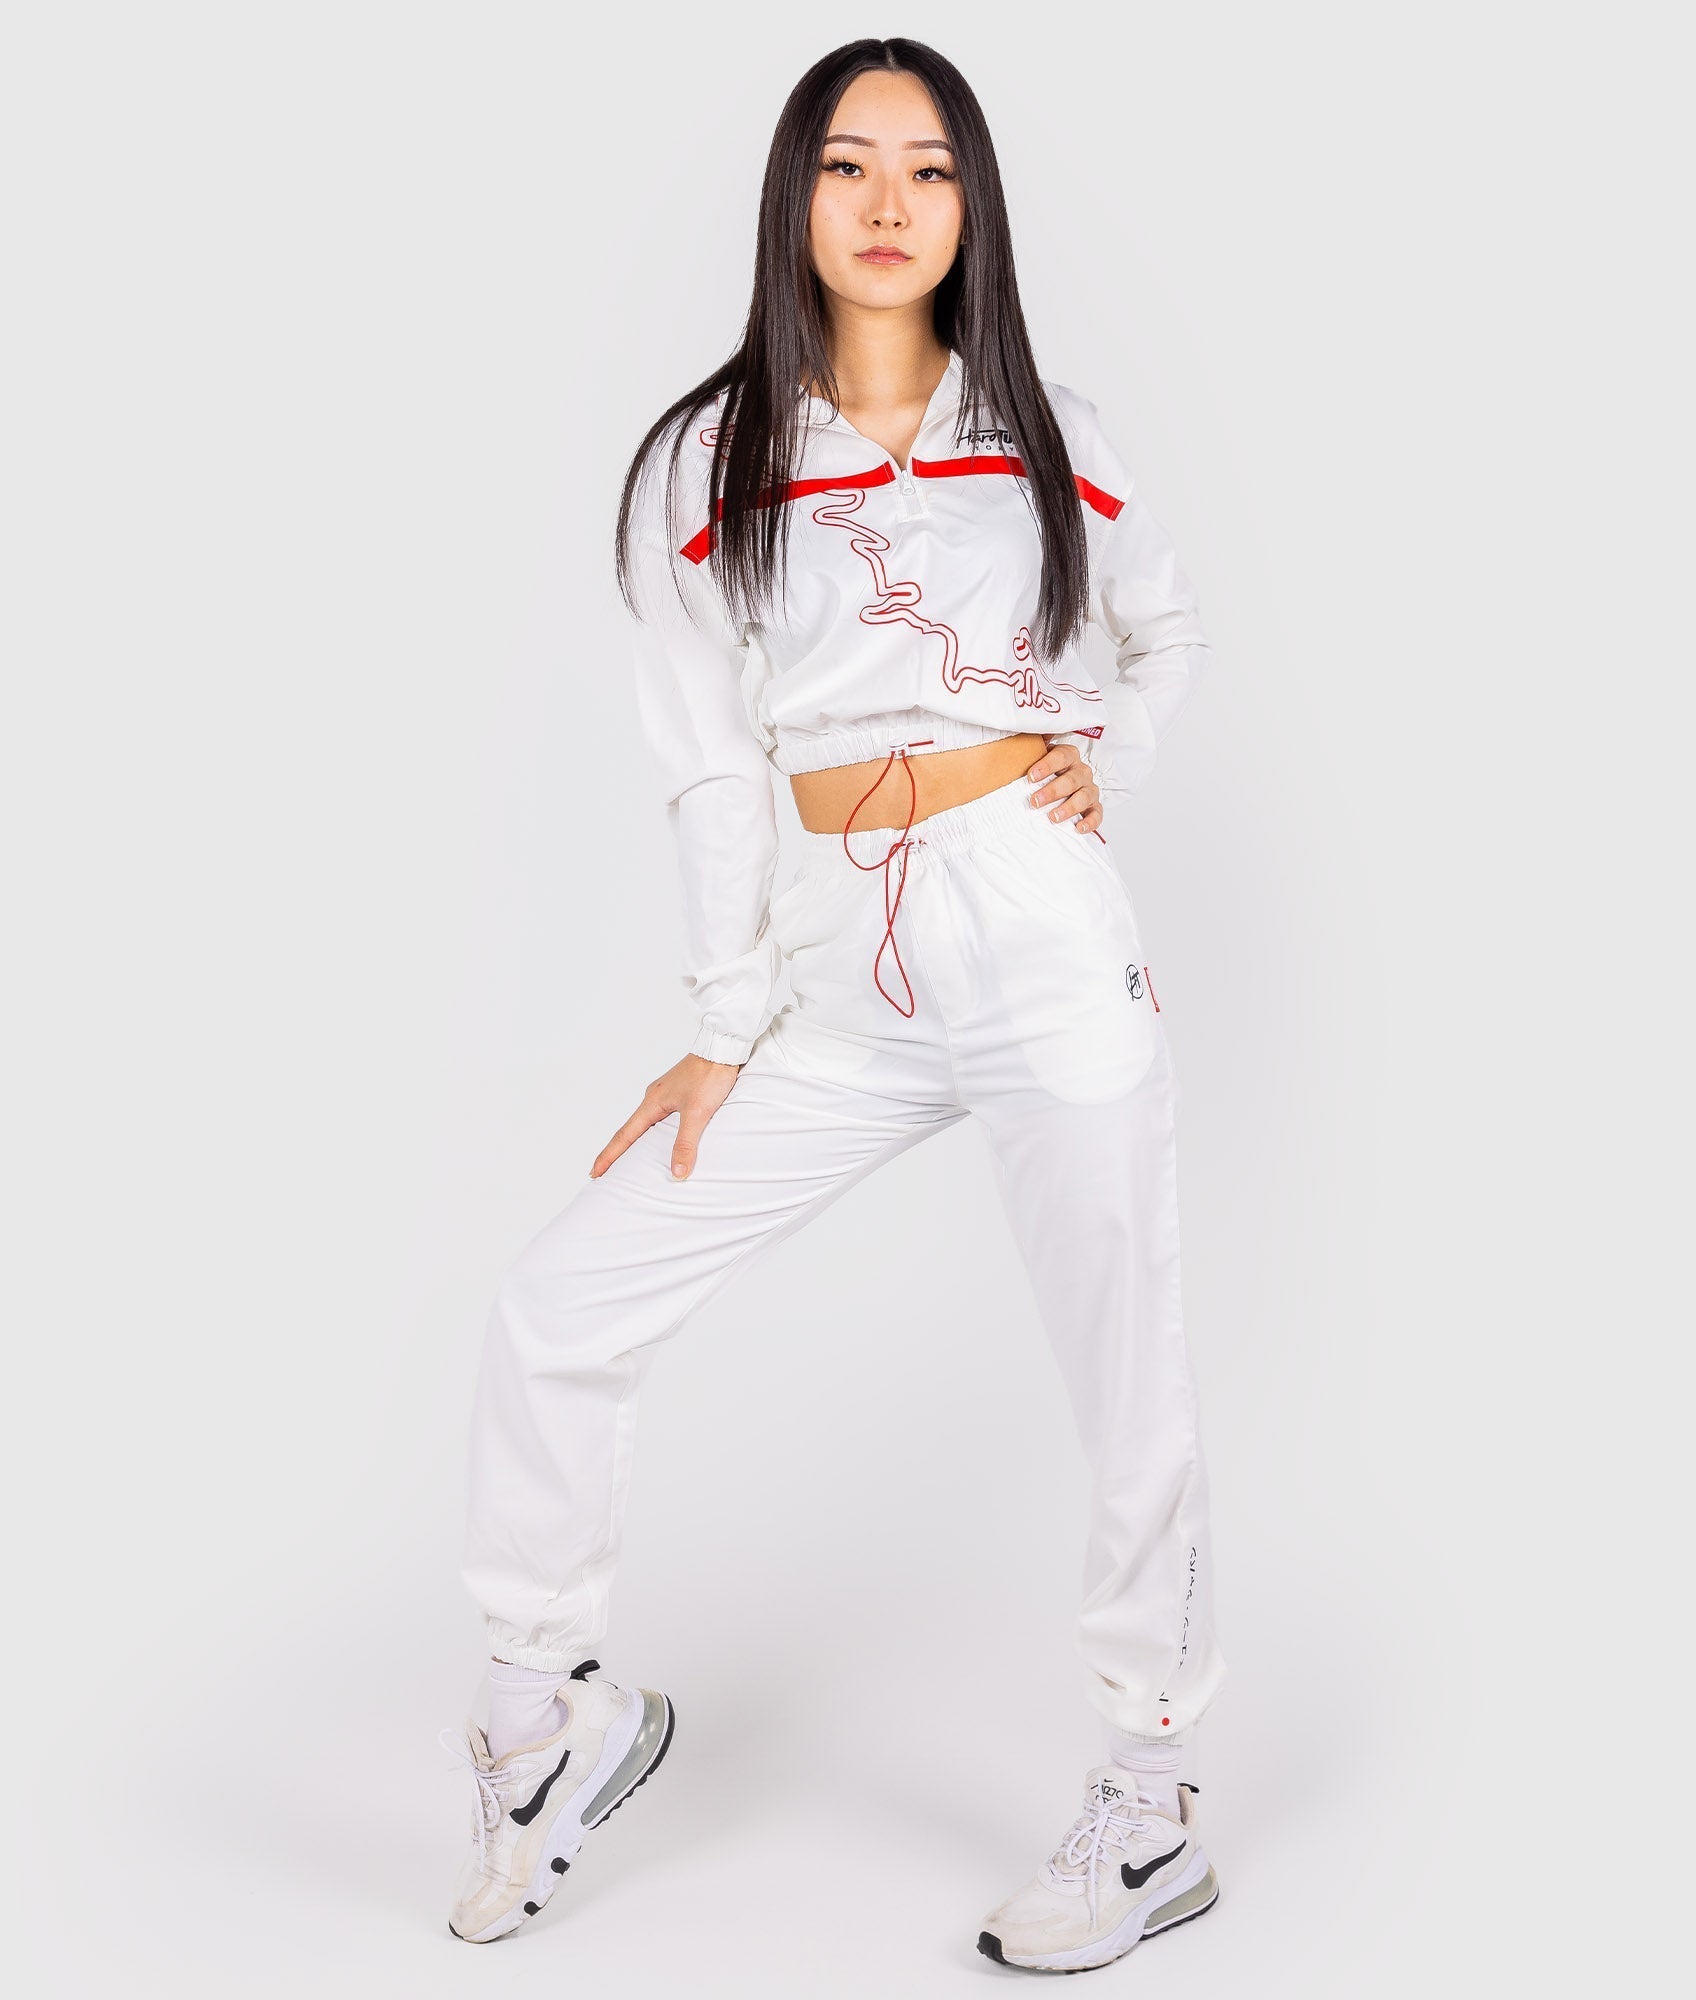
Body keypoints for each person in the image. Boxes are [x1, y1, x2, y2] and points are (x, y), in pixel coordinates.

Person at [442, 37, 1227, 1971]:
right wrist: (723, 1022)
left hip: (1041, 938)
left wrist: (1107, 748)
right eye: (850, 165)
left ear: (973, 209)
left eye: (931, 170)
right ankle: (550, 1722)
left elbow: (1165, 628)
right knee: (559, 1301)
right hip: (837, 971)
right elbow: (711, 765)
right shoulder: (705, 464)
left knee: (1127, 1373)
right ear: (794, 193)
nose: (889, 205)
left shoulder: (1048, 431)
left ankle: (1150, 1802)